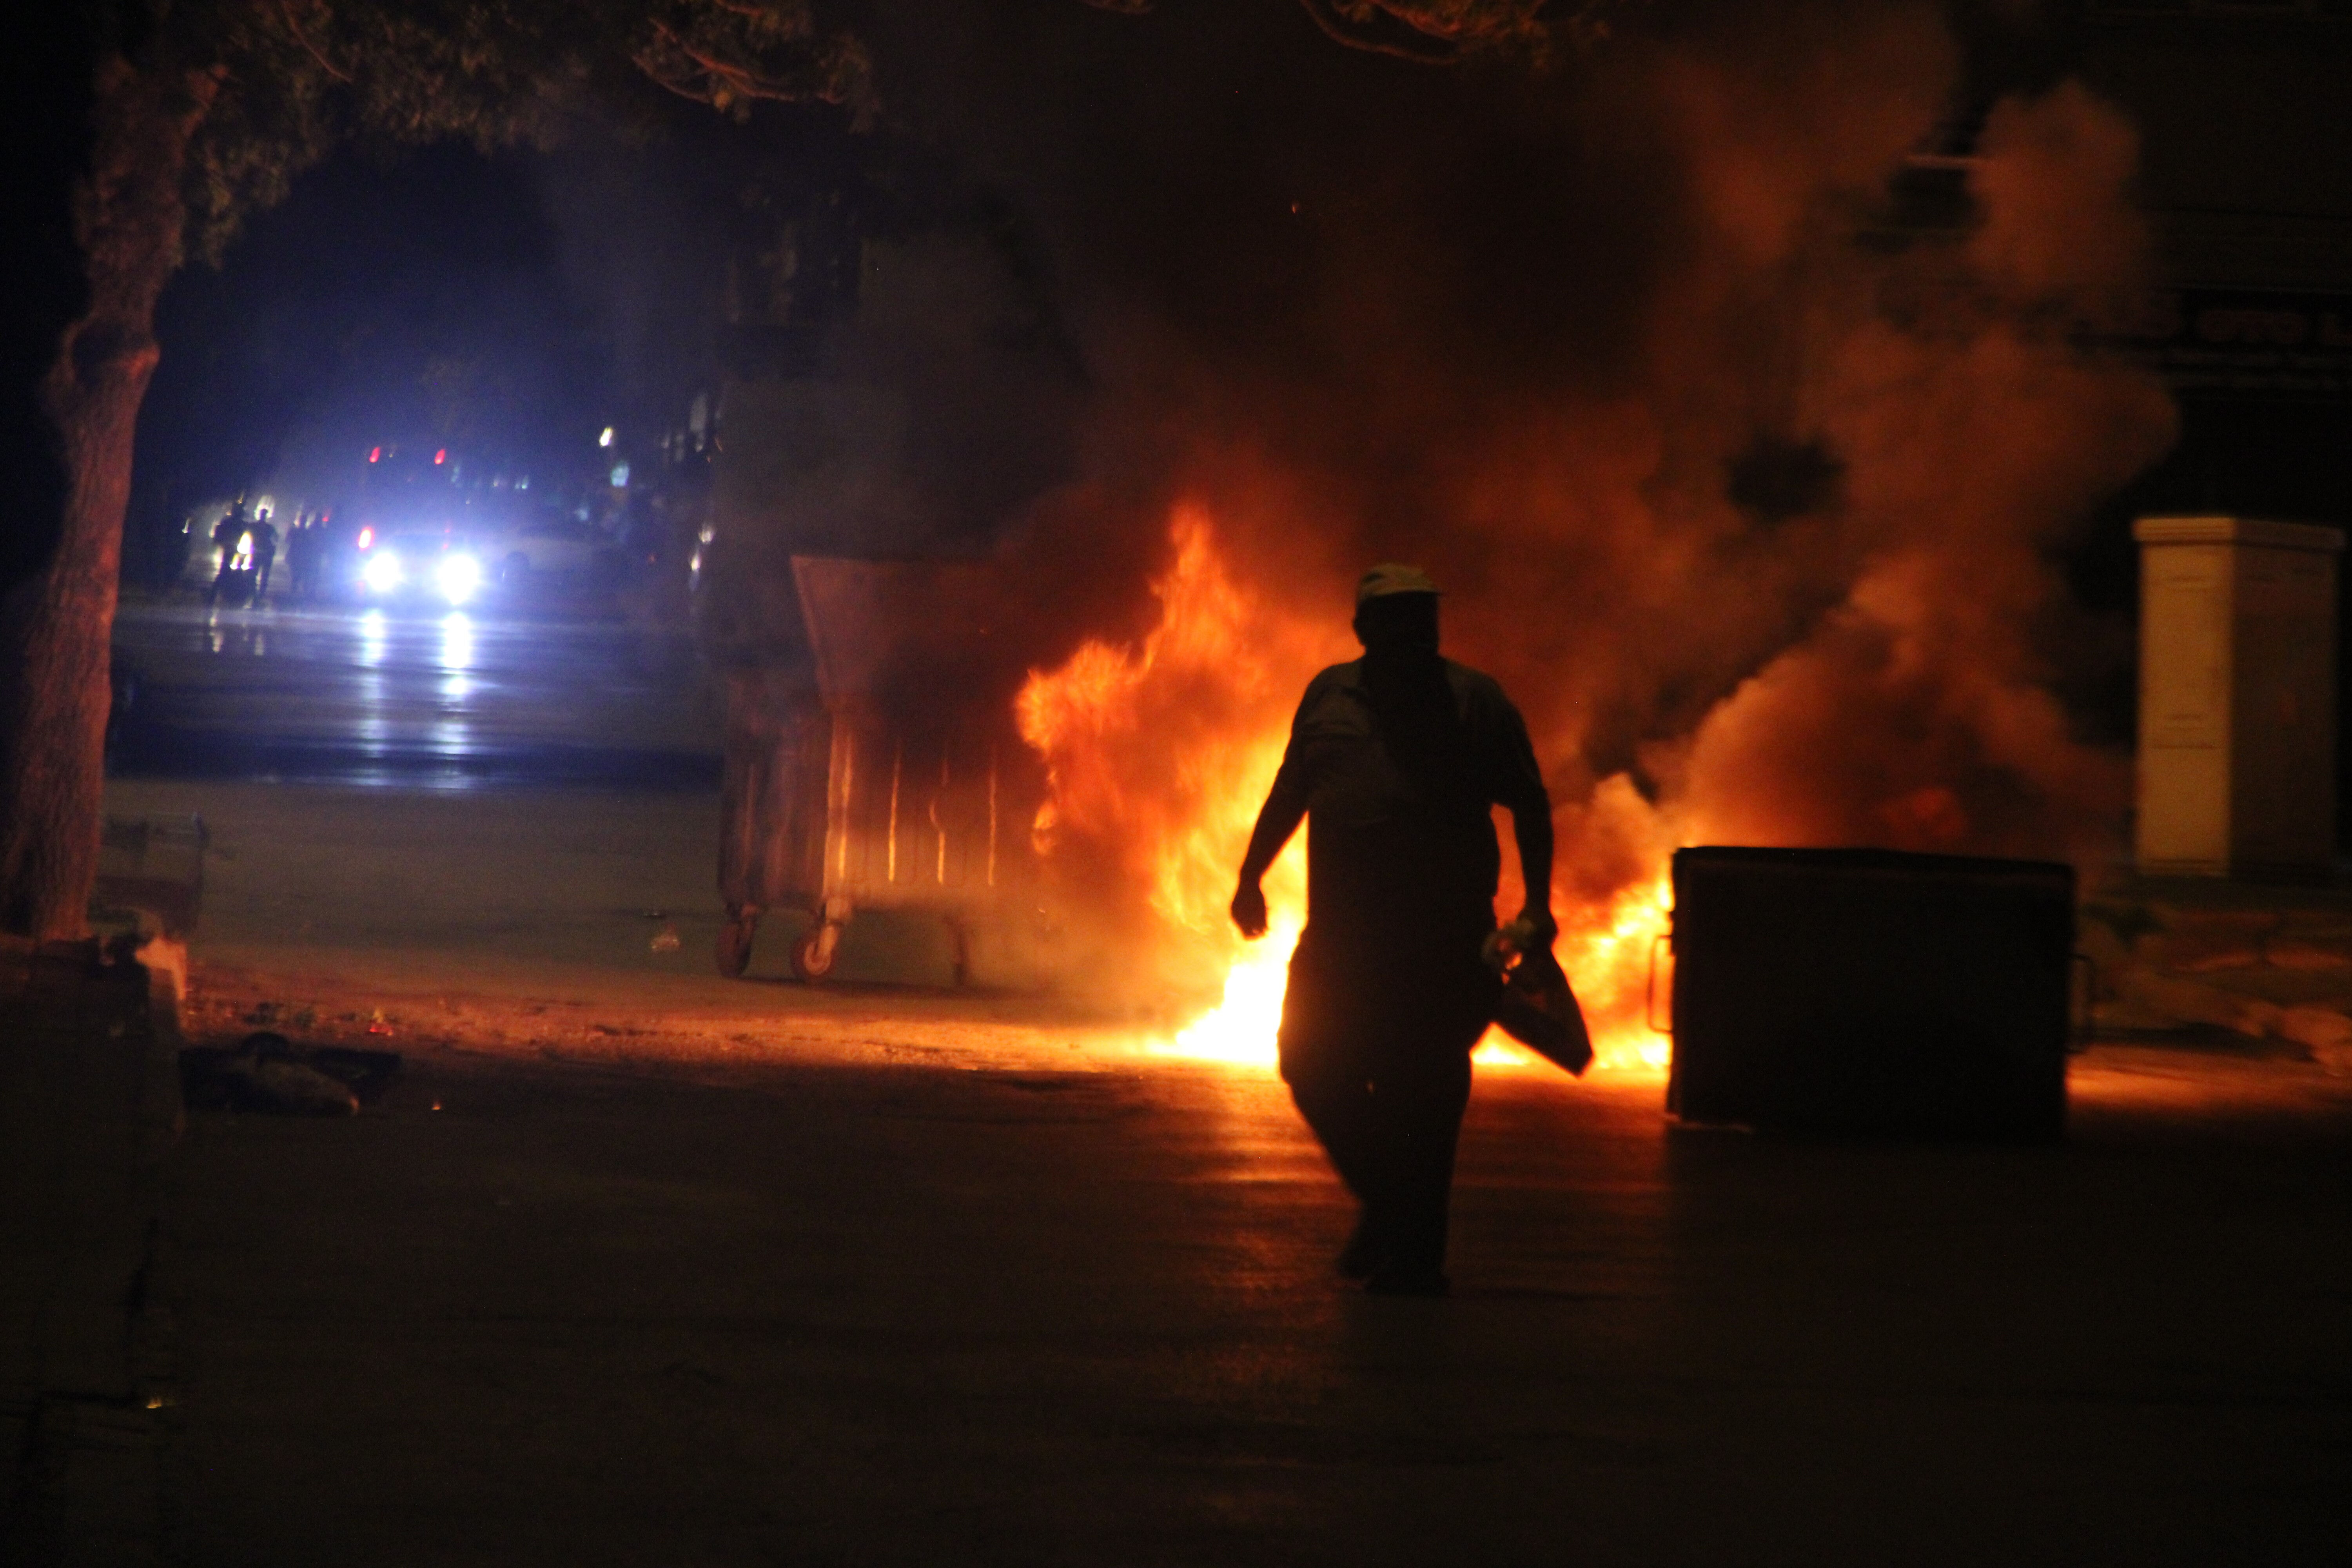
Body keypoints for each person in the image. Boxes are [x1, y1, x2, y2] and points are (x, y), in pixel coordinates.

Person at [1230, 563, 1554, 1298]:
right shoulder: (1329, 695)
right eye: (1399, 618)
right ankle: (1390, 1206)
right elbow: (1293, 787)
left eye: (1425, 616)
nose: (1417, 630)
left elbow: (1530, 804)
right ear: (1365, 629)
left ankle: (1414, 1257)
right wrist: (1251, 875)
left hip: (1443, 941)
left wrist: (1538, 906)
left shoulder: (1474, 702)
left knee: (1427, 1093)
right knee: (1309, 1063)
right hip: (1341, 937)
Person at [249, 508, 278, 601]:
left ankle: (258, 593)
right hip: (260, 553)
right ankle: (256, 593)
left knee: (261, 574)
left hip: (264, 553)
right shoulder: (266, 527)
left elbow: (276, 539)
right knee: (256, 574)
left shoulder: (264, 527)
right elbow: (276, 539)